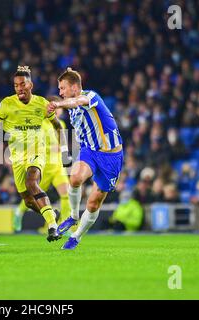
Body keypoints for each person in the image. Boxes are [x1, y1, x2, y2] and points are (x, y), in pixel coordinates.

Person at [0, 66, 67, 242]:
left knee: (32, 182)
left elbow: (57, 125)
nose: (19, 88)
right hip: (16, 156)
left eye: (22, 84)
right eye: (16, 85)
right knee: (29, 201)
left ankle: (53, 226)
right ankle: (52, 214)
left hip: (37, 152)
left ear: (30, 84)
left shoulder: (42, 104)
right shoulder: (6, 104)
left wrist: (63, 146)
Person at [47, 67, 124, 250]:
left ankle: (76, 237)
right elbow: (72, 102)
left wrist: (58, 104)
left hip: (111, 156)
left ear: (74, 88)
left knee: (94, 202)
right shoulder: (71, 105)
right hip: (89, 150)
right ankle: (73, 216)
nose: (60, 92)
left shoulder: (91, 97)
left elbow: (78, 101)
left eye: (62, 88)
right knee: (75, 178)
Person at [12, 105, 72, 233]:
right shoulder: (40, 124)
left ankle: (63, 226)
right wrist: (52, 149)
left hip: (58, 167)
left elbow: (62, 143)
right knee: (34, 196)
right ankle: (19, 212)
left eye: (59, 108)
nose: (58, 111)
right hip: (43, 166)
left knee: (67, 194)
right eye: (54, 108)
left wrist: (65, 151)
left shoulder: (60, 124)